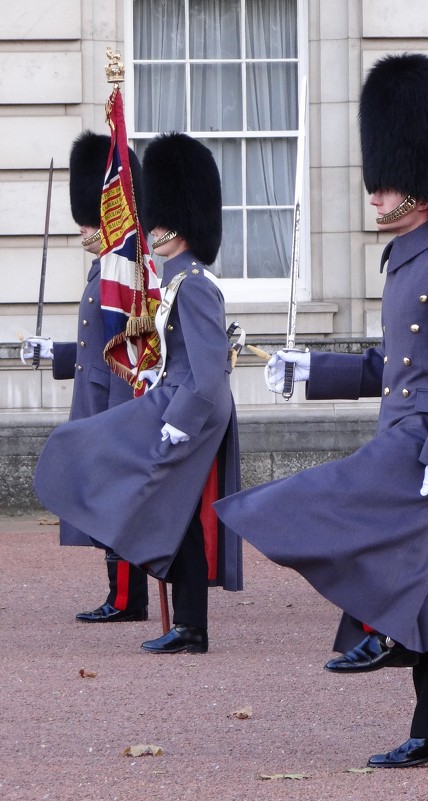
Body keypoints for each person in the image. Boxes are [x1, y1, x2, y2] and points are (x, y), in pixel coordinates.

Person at [214, 53, 428, 769]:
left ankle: (377, 632)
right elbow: (390, 368)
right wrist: (312, 367)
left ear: (422, 184)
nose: (374, 196)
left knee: (324, 503)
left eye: (386, 184)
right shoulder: (405, 259)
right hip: (408, 435)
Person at [34, 132, 242, 654]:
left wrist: (180, 418)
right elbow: (178, 355)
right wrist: (154, 379)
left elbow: (209, 371)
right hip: (171, 405)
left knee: (176, 515)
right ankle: (188, 625)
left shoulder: (192, 282)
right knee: (175, 517)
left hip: (186, 416)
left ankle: (190, 625)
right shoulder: (174, 280)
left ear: (175, 221)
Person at [22, 131, 148, 624]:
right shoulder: (105, 270)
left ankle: (125, 599)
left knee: (114, 499)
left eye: (89, 220)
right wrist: (52, 351)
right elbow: (95, 347)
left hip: (113, 404)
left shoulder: (127, 271)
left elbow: (124, 349)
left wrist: (121, 417)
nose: (82, 230)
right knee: (101, 498)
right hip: (96, 400)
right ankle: (120, 595)